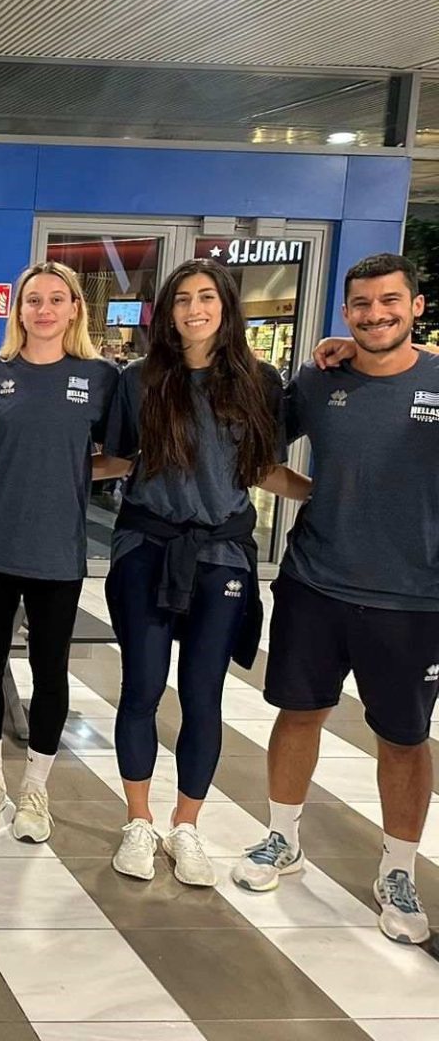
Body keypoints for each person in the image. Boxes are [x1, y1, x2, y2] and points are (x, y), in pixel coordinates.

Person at [233, 253, 436, 946]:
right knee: (298, 714)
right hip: (315, 582)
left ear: (415, 306)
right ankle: (282, 838)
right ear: (345, 311)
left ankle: (398, 870)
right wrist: (318, 494)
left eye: (390, 301)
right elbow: (256, 454)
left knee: (404, 739)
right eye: (362, 305)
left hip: (415, 597)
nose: (376, 315)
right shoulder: (320, 380)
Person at [102, 257, 305, 887]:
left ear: (226, 307)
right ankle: (139, 821)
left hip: (221, 557)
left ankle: (186, 825)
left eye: (206, 297)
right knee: (141, 687)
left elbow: (261, 469)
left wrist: (325, 497)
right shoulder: (138, 380)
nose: (194, 309)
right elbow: (116, 460)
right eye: (183, 298)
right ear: (167, 312)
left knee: (202, 694)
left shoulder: (260, 382)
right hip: (147, 548)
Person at [0, 262, 125, 845]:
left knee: (49, 669)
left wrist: (71, 474)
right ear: (19, 310)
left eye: (57, 299)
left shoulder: (101, 377)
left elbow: (121, 456)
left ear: (76, 307)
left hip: (57, 549)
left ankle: (35, 790)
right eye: (34, 300)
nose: (45, 309)